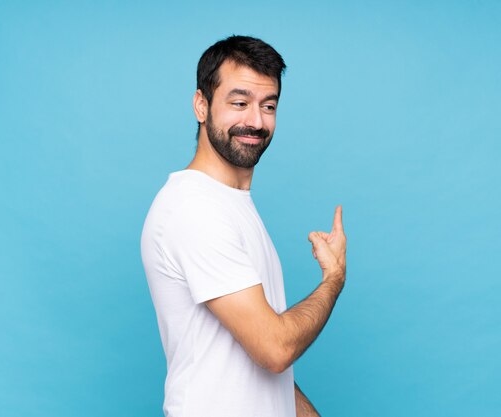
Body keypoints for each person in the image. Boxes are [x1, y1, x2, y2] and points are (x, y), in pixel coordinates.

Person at [141, 35, 347, 417]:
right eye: (239, 103)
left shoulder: (229, 205)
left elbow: (254, 368)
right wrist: (333, 279)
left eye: (268, 105)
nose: (255, 120)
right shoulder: (194, 208)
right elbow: (275, 349)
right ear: (201, 105)